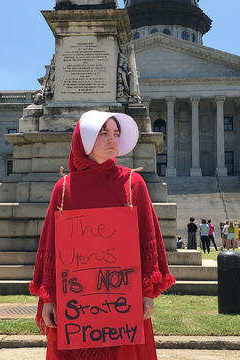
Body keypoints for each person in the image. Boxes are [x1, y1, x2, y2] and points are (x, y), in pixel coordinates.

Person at [29, 110, 175, 359]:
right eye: (103, 133)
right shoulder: (63, 189)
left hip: (122, 302)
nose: (112, 140)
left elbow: (147, 239)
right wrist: (50, 299)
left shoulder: (132, 183)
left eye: (116, 134)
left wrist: (146, 293)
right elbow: (51, 249)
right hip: (76, 303)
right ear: (84, 140)